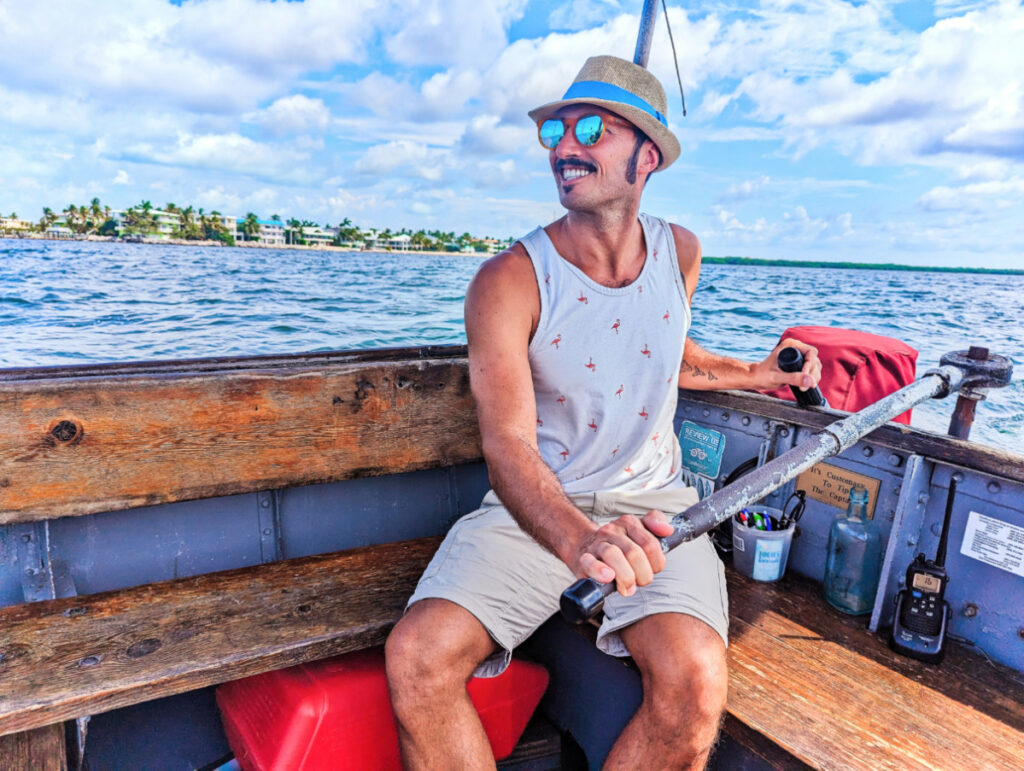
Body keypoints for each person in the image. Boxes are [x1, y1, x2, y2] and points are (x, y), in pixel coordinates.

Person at [386, 55, 822, 770]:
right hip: (540, 509)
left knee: (695, 681)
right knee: (418, 658)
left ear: (647, 156)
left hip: (655, 510)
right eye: (555, 131)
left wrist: (757, 372)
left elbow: (665, 351)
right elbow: (508, 444)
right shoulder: (508, 280)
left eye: (590, 128)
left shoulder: (681, 252)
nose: (565, 147)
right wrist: (579, 540)